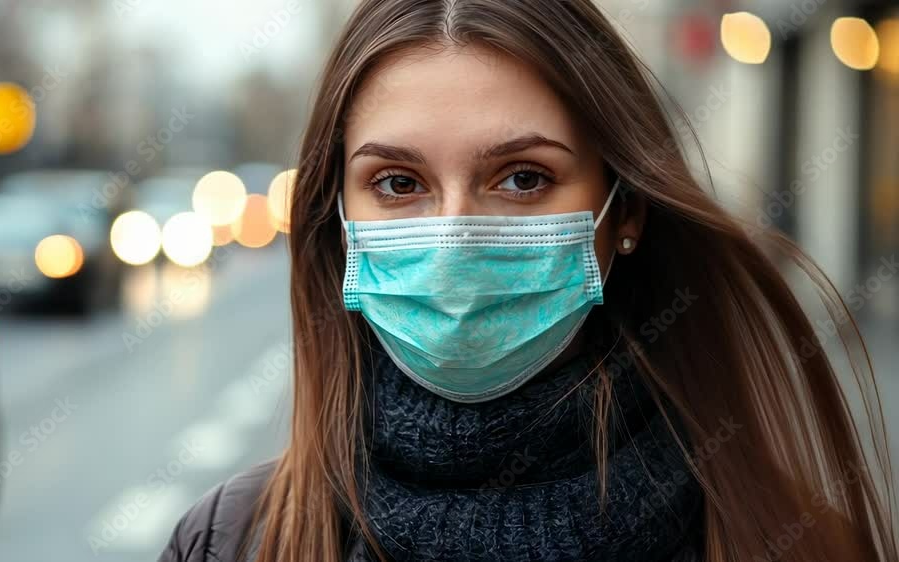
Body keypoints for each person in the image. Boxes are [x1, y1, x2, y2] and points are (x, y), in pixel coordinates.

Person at [158, 0, 898, 560]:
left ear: (626, 211)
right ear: (337, 217)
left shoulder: (788, 538)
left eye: (521, 177)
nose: (453, 235)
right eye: (395, 182)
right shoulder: (231, 541)